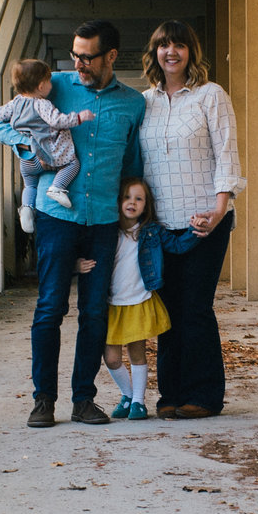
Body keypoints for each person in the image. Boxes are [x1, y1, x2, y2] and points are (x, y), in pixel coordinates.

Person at [0, 20, 148, 427]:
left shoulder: (133, 104)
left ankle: (84, 400)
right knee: (50, 308)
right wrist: (25, 144)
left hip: (102, 221)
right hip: (56, 214)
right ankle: (43, 400)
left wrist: (134, 219)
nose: (78, 63)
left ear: (110, 56)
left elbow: (132, 165)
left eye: (87, 56)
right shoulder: (52, 84)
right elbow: (1, 123)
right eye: (74, 54)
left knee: (94, 312)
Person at [136, 18, 242, 418]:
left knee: (195, 308)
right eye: (164, 45)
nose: (171, 52)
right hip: (159, 226)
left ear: (190, 52)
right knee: (166, 312)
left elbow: (227, 153)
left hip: (204, 222)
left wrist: (218, 209)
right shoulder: (144, 103)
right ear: (155, 53)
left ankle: (203, 396)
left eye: (179, 45)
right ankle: (170, 396)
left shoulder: (210, 96)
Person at [98, 177, 170, 419]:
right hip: (112, 305)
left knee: (137, 353)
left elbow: (176, 244)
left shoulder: (148, 232)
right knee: (111, 357)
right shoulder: (109, 232)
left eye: (139, 199)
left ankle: (139, 402)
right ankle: (127, 394)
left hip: (137, 301)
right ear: (118, 201)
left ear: (146, 205)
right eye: (127, 197)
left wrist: (197, 232)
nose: (132, 202)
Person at [0, 56, 94, 226]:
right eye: (48, 82)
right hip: (50, 154)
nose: (51, 85)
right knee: (72, 164)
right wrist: (79, 117)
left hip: (27, 160)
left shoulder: (16, 102)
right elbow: (57, 120)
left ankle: (26, 208)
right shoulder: (41, 104)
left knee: (30, 185)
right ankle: (57, 187)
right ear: (41, 86)